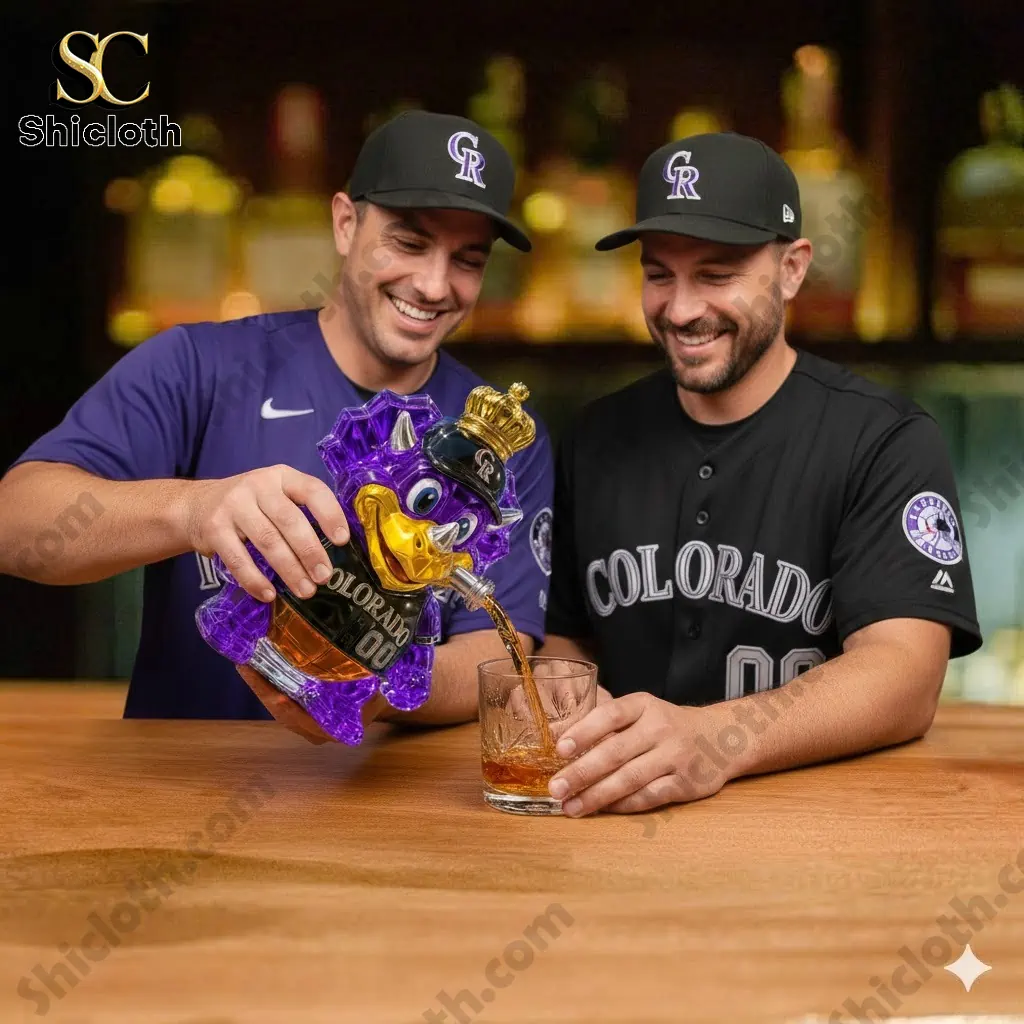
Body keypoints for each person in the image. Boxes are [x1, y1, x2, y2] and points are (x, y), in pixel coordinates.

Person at [0, 110, 554, 743]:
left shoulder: (499, 441)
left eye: (468, 260)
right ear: (345, 223)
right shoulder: (200, 365)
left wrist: (370, 687)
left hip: (388, 812)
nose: (433, 284)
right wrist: (193, 509)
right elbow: (15, 523)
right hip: (175, 792)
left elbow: (501, 653)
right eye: (408, 242)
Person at [538, 131, 983, 817]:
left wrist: (712, 741)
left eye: (716, 275)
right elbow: (566, 636)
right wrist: (565, 692)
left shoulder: (884, 438)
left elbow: (906, 675)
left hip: (821, 832)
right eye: (660, 274)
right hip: (618, 823)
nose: (682, 309)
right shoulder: (596, 436)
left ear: (793, 268)